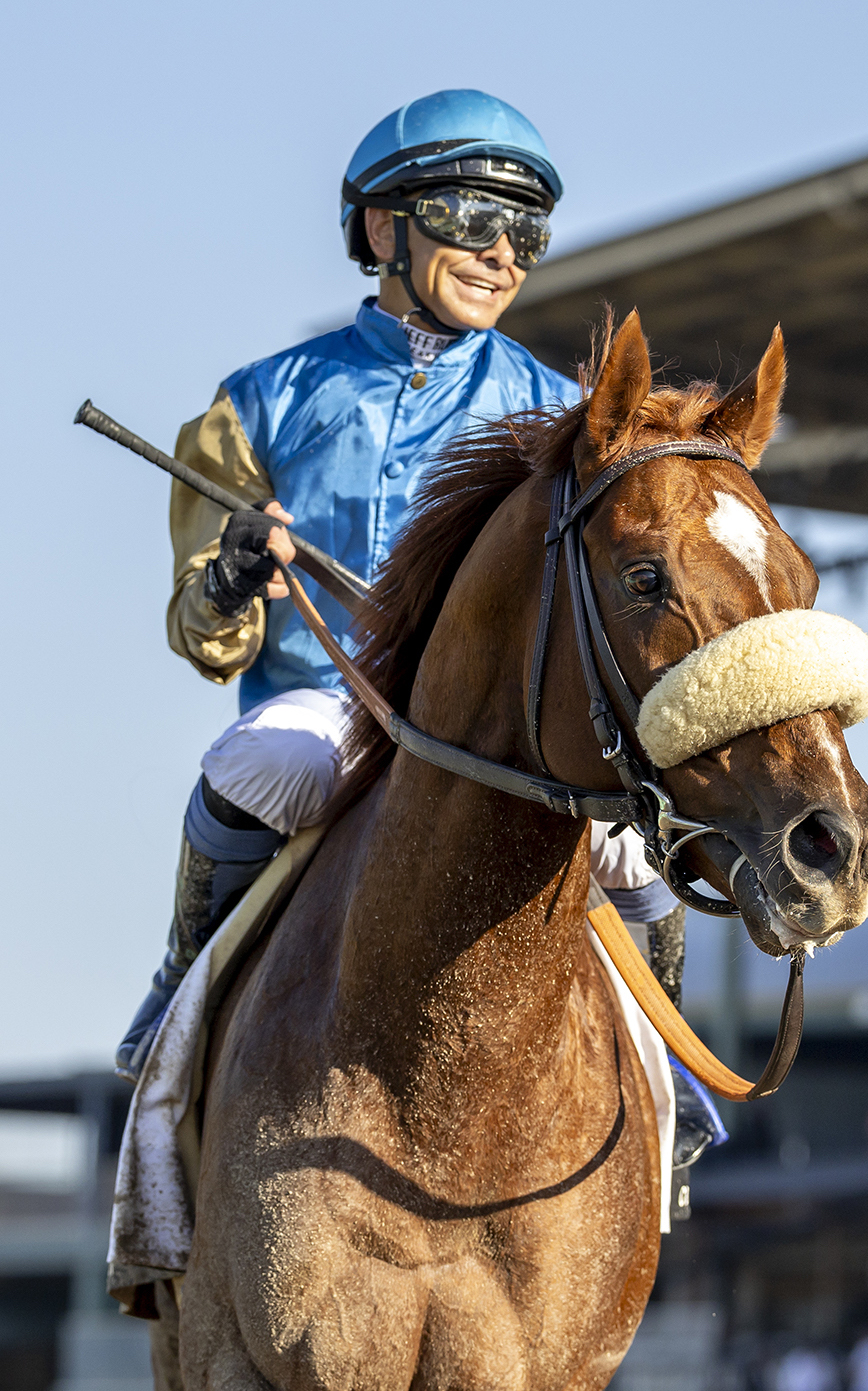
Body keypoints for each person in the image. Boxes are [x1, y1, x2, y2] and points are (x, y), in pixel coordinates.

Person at [115, 88, 682, 1083]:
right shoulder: (258, 401)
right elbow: (199, 629)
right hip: (327, 711)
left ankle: (667, 1062)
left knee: (636, 847)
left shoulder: (562, 414)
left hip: (498, 728)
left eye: (525, 230)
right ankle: (184, 980)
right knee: (258, 758)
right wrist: (237, 576)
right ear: (385, 226)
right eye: (472, 218)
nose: (503, 250)